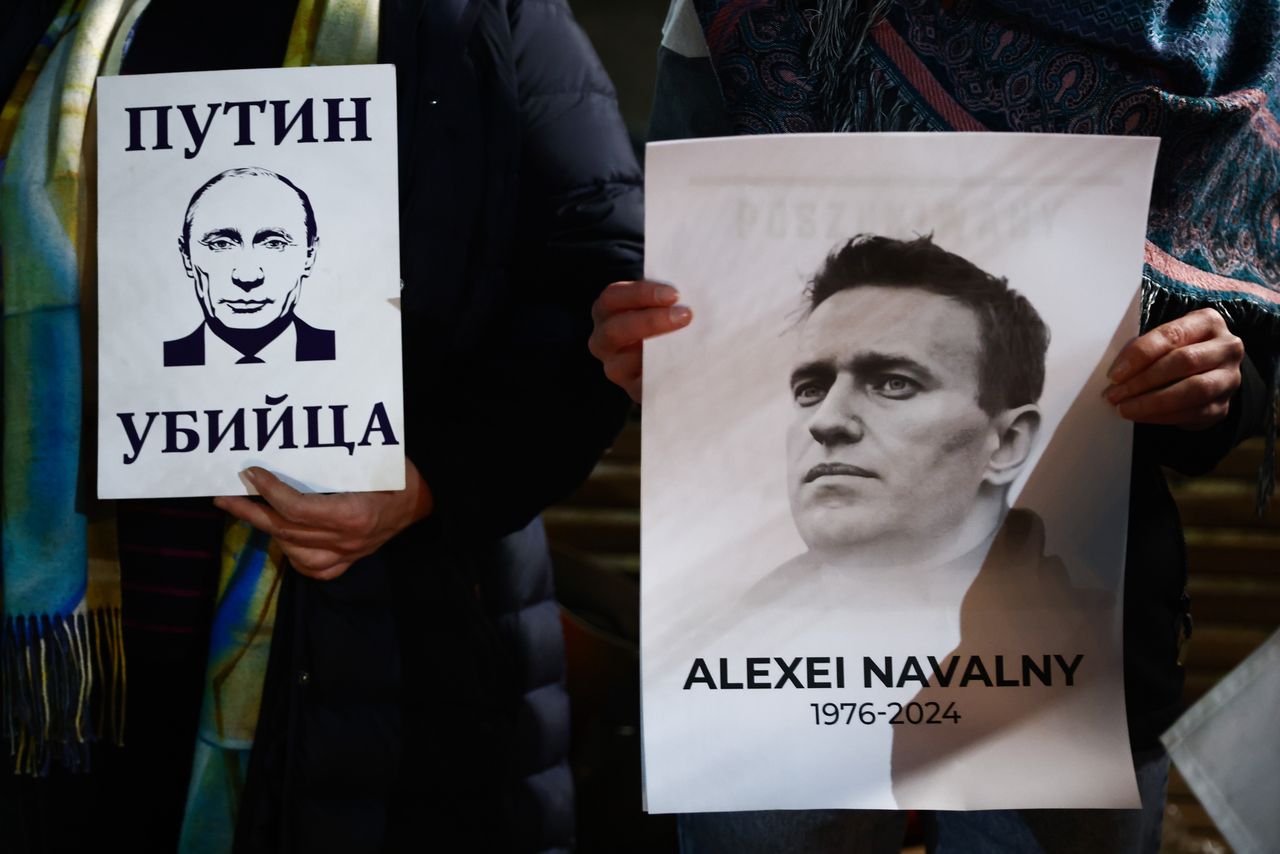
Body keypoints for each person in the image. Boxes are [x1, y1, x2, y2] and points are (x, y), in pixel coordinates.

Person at [590, 0, 1276, 850]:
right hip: (756, 702)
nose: (833, 422)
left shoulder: (1225, 30)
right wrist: (649, 346)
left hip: (1073, 681)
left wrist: (1211, 379)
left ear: (1007, 435)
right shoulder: (747, 14)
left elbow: (1248, 359)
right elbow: (672, 282)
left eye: (895, 382)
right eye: (810, 385)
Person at [1, 0, 638, 852]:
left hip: (378, 663)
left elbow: (599, 290)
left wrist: (429, 483)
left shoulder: (480, 16)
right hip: (65, 671)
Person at [165, 167, 334, 367]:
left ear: (309, 255)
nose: (247, 277)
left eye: (274, 243)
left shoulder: (349, 354)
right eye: (221, 244)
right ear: (186, 256)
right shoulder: (154, 363)